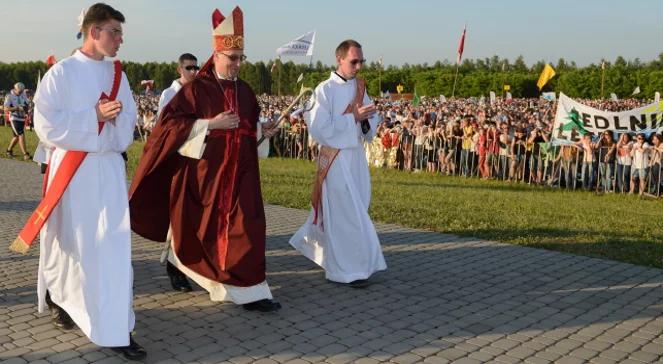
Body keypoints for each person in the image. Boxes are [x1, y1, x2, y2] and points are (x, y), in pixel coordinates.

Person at [129, 6, 282, 312]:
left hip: (241, 176)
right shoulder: (196, 89)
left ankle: (250, 290)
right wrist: (210, 125)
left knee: (247, 228)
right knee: (199, 234)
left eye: (241, 58)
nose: (238, 64)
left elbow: (249, 133)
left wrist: (264, 131)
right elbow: (167, 128)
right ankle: (184, 264)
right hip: (204, 176)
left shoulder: (247, 92)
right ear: (217, 54)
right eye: (232, 58)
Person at [30, 3, 145, 360]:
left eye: (121, 33)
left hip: (107, 169)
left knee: (112, 246)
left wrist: (111, 125)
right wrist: (91, 116)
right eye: (114, 31)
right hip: (72, 172)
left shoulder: (118, 76)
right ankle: (62, 299)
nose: (120, 39)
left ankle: (116, 326)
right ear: (94, 32)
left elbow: (128, 124)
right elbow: (45, 125)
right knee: (70, 242)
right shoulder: (61, 74)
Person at [289, 39, 387, 287]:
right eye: (354, 61)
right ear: (339, 59)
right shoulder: (325, 90)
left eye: (361, 61)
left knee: (358, 207)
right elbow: (319, 129)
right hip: (335, 159)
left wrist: (365, 120)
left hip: (356, 157)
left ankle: (350, 263)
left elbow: (370, 122)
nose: (358, 66)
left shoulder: (361, 87)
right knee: (346, 214)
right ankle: (347, 271)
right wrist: (352, 117)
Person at [4, 82, 31, 160]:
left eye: (22, 91)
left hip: (22, 118)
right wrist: (17, 108)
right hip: (14, 117)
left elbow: (26, 104)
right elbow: (6, 108)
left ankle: (9, 150)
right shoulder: (9, 96)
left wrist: (26, 108)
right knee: (21, 135)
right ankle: (25, 154)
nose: (21, 92)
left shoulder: (23, 94)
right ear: (15, 89)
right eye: (19, 91)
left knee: (16, 136)